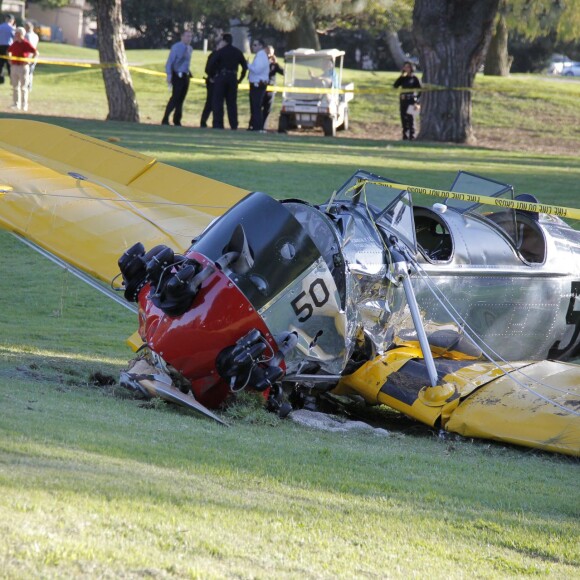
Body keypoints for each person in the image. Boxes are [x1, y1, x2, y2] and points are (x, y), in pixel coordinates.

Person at [207, 33, 247, 130]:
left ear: (224, 41)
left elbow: (210, 64)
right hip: (233, 78)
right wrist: (240, 79)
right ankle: (234, 124)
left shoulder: (221, 52)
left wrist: (212, 76)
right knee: (232, 103)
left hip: (221, 77)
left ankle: (218, 124)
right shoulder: (238, 52)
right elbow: (245, 67)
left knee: (218, 101)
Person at [162, 29, 193, 127]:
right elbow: (170, 62)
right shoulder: (176, 47)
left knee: (181, 99)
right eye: (187, 36)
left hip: (185, 75)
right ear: (182, 37)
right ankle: (165, 118)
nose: (189, 38)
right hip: (177, 75)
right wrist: (169, 75)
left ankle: (177, 119)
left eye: (190, 36)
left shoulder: (190, 49)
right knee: (175, 97)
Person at [8, 27, 38, 111]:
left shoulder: (26, 43)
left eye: (17, 33)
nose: (16, 35)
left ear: (21, 34)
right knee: (15, 86)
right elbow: (9, 51)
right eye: (16, 33)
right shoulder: (15, 43)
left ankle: (24, 105)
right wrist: (9, 59)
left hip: (23, 67)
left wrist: (30, 61)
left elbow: (35, 52)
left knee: (23, 87)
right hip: (14, 66)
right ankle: (16, 104)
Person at [393, 61, 421, 140]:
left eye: (408, 67)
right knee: (403, 118)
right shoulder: (403, 78)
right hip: (403, 100)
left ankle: (412, 135)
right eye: (405, 67)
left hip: (411, 100)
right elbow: (395, 85)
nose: (406, 68)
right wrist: (401, 76)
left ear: (411, 68)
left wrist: (417, 101)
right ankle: (405, 135)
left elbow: (420, 90)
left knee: (411, 118)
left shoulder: (415, 78)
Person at [200, 38, 225, 128]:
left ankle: (217, 122)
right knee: (210, 102)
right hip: (212, 82)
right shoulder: (213, 55)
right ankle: (203, 121)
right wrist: (212, 77)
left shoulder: (223, 56)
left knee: (218, 103)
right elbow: (207, 69)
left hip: (220, 82)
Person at [247, 38, 269, 132]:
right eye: (253, 45)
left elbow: (256, 69)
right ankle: (255, 126)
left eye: (255, 45)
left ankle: (257, 127)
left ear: (261, 46)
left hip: (258, 85)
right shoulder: (260, 55)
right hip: (256, 84)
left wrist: (248, 64)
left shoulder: (261, 55)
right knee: (255, 106)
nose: (253, 47)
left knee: (256, 106)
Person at [261, 45, 284, 131]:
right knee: (258, 107)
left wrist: (276, 63)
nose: (269, 56)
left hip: (270, 89)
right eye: (267, 53)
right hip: (261, 87)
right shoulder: (261, 62)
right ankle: (257, 125)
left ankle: (264, 126)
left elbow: (283, 72)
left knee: (267, 109)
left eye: (270, 54)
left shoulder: (274, 65)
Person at [24, 22, 39, 92]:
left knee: (26, 72)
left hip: (28, 55)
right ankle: (30, 86)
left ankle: (26, 86)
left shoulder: (26, 35)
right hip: (34, 55)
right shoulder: (36, 36)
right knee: (31, 72)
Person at [0, 14, 15, 84]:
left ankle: (1, 79)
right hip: (9, 47)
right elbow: (15, 37)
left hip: (0, 46)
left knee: (1, 64)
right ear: (11, 20)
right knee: (9, 64)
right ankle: (12, 79)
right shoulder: (12, 28)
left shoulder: (1, 26)